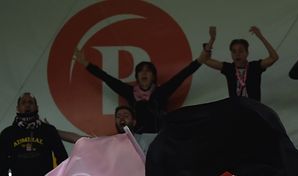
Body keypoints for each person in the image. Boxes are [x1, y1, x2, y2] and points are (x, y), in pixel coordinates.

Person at [75, 45, 210, 133]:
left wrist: (199, 60)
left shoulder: (161, 92)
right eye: (140, 71)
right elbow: (108, 79)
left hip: (160, 137)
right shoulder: (129, 92)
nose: (144, 73)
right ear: (137, 76)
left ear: (153, 76)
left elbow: (181, 76)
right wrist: (86, 64)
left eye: (148, 71)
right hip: (136, 139)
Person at [202, 25, 279, 100]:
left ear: (247, 53)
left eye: (241, 51)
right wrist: (212, 39)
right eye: (234, 51)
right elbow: (205, 60)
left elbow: (274, 57)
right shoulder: (229, 68)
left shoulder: (255, 66)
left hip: (254, 110)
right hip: (236, 110)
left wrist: (261, 37)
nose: (237, 54)